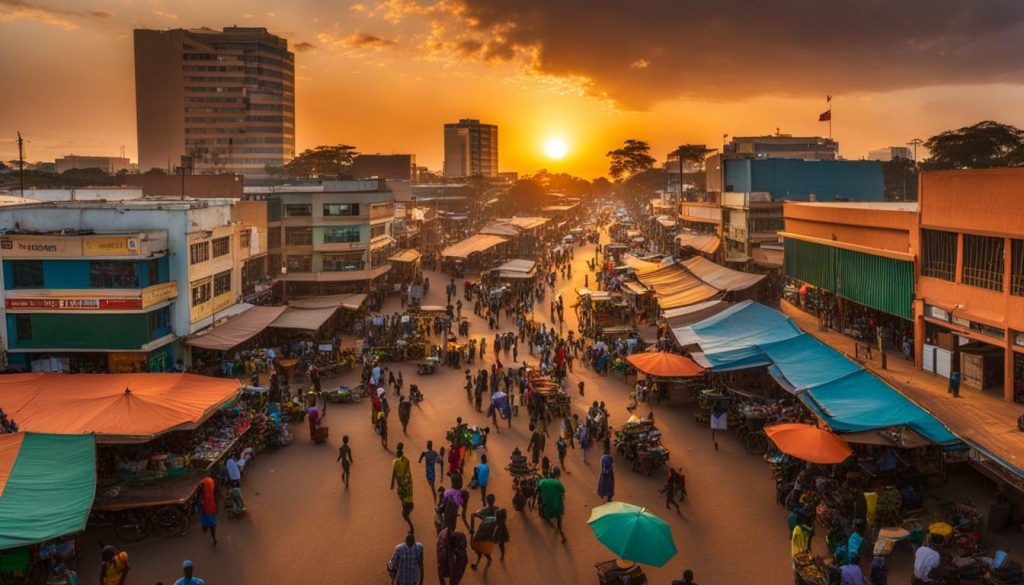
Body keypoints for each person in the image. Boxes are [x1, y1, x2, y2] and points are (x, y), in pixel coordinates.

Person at [538, 467, 567, 543]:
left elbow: (538, 489)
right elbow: (563, 491)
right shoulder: (558, 483)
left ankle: (550, 524)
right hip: (557, 506)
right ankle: (561, 533)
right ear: (557, 475)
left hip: (548, 505)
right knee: (559, 518)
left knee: (545, 514)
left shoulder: (542, 482)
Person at [391, 442, 415, 531]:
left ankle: (411, 527)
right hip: (407, 485)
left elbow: (394, 473)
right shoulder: (406, 460)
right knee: (406, 500)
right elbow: (407, 473)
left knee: (404, 514)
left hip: (402, 486)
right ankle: (408, 508)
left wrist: (392, 483)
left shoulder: (396, 462)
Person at [197, 473, 218, 545]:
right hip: (211, 506)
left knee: (204, 520)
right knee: (212, 524)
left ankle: (205, 529)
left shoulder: (202, 484)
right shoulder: (211, 482)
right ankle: (214, 538)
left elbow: (200, 497)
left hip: (205, 507)